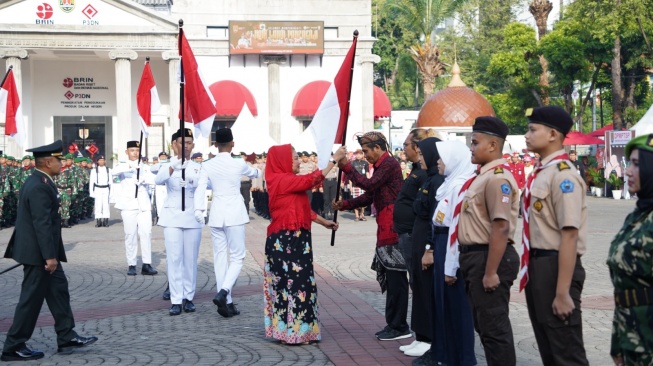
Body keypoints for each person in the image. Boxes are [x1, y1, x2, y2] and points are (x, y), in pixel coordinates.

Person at [1, 140, 97, 362]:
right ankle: (13, 346)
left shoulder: (41, 180)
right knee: (31, 300)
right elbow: (41, 223)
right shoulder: (38, 185)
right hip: (39, 255)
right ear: (47, 162)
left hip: (43, 252)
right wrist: (50, 257)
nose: (61, 164)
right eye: (58, 160)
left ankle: (66, 336)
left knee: (59, 292)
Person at [522, 106, 589, 365]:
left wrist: (563, 293)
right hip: (538, 266)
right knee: (549, 346)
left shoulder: (563, 176)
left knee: (566, 350)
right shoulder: (543, 172)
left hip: (556, 266)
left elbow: (569, 236)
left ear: (552, 134)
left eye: (532, 130)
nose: (527, 135)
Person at [453, 116, 520, 366]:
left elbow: (501, 226)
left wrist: (491, 271)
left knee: (494, 329)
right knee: (484, 325)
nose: (471, 148)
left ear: (493, 145)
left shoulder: (497, 178)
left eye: (475, 142)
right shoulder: (483, 175)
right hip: (476, 257)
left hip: (489, 257)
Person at [263, 144, 345, 344]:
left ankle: (300, 331)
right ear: (283, 161)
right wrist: (333, 161)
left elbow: (302, 209)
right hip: (284, 242)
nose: (299, 161)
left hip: (297, 240)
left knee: (302, 284)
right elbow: (312, 180)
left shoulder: (288, 183)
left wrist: (324, 222)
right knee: (291, 285)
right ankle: (292, 333)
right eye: (295, 158)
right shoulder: (280, 179)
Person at [333, 131, 407, 341]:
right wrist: (346, 204)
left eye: (367, 151)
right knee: (393, 280)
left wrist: (346, 166)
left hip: (392, 228)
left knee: (396, 279)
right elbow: (371, 195)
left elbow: (369, 185)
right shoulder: (382, 166)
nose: (365, 156)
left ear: (378, 147)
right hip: (385, 226)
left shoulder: (389, 164)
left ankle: (399, 325)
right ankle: (393, 323)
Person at [416, 140, 477, 366]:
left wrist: (450, 266)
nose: (438, 162)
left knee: (457, 307)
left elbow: (455, 229)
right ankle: (446, 355)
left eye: (442, 158)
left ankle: (463, 358)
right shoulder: (450, 183)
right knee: (443, 304)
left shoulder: (461, 186)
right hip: (441, 243)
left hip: (449, 246)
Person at [194, 129, 261, 317]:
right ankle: (224, 292)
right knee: (238, 256)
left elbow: (201, 187)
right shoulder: (238, 163)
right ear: (232, 143)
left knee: (220, 258)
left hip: (216, 213)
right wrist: (259, 169)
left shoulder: (207, 165)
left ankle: (227, 302)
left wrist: (199, 210)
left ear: (215, 145)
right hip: (234, 213)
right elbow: (255, 173)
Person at [608, 134, 653, 366]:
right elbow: (625, 288)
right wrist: (618, 340)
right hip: (632, 336)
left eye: (636, 164)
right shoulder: (638, 215)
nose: (627, 171)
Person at [156, 128, 203, 316]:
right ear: (174, 145)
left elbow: (204, 185)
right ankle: (175, 299)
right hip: (172, 216)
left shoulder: (198, 166)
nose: (186, 146)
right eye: (182, 143)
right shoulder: (168, 165)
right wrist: (174, 166)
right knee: (174, 258)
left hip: (192, 215)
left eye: (189, 143)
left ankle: (188, 297)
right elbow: (159, 180)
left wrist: (192, 182)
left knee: (190, 259)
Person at [405, 137, 445, 358]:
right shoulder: (429, 179)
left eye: (422, 155)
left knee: (427, 288)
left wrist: (429, 248)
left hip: (427, 241)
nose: (419, 158)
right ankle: (420, 334)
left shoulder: (438, 180)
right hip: (418, 239)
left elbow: (434, 217)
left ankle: (429, 337)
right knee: (418, 286)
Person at [112, 140, 158, 276]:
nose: (135, 153)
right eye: (132, 150)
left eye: (137, 151)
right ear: (127, 152)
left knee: (146, 233)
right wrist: (131, 168)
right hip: (128, 205)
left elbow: (154, 179)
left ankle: (147, 263)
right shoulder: (122, 165)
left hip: (143, 205)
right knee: (130, 235)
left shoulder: (145, 166)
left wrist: (143, 179)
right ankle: (132, 264)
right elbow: (114, 173)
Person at [89, 155, 111, 228]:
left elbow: (111, 182)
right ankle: (98, 220)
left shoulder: (108, 170)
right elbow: (91, 182)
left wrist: (112, 193)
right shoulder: (94, 170)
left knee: (106, 205)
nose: (101, 161)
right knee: (98, 205)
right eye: (100, 160)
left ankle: (106, 220)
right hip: (97, 189)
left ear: (105, 161)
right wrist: (91, 192)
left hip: (106, 188)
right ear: (97, 161)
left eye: (103, 160)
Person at [350, 149, 369, 221]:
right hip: (355, 184)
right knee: (355, 200)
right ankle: (357, 215)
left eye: (360, 154)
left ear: (362, 155)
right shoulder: (352, 163)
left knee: (363, 200)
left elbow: (367, 173)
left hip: (363, 184)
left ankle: (361, 214)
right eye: (357, 154)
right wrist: (350, 186)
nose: (358, 155)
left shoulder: (365, 163)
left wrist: (369, 183)